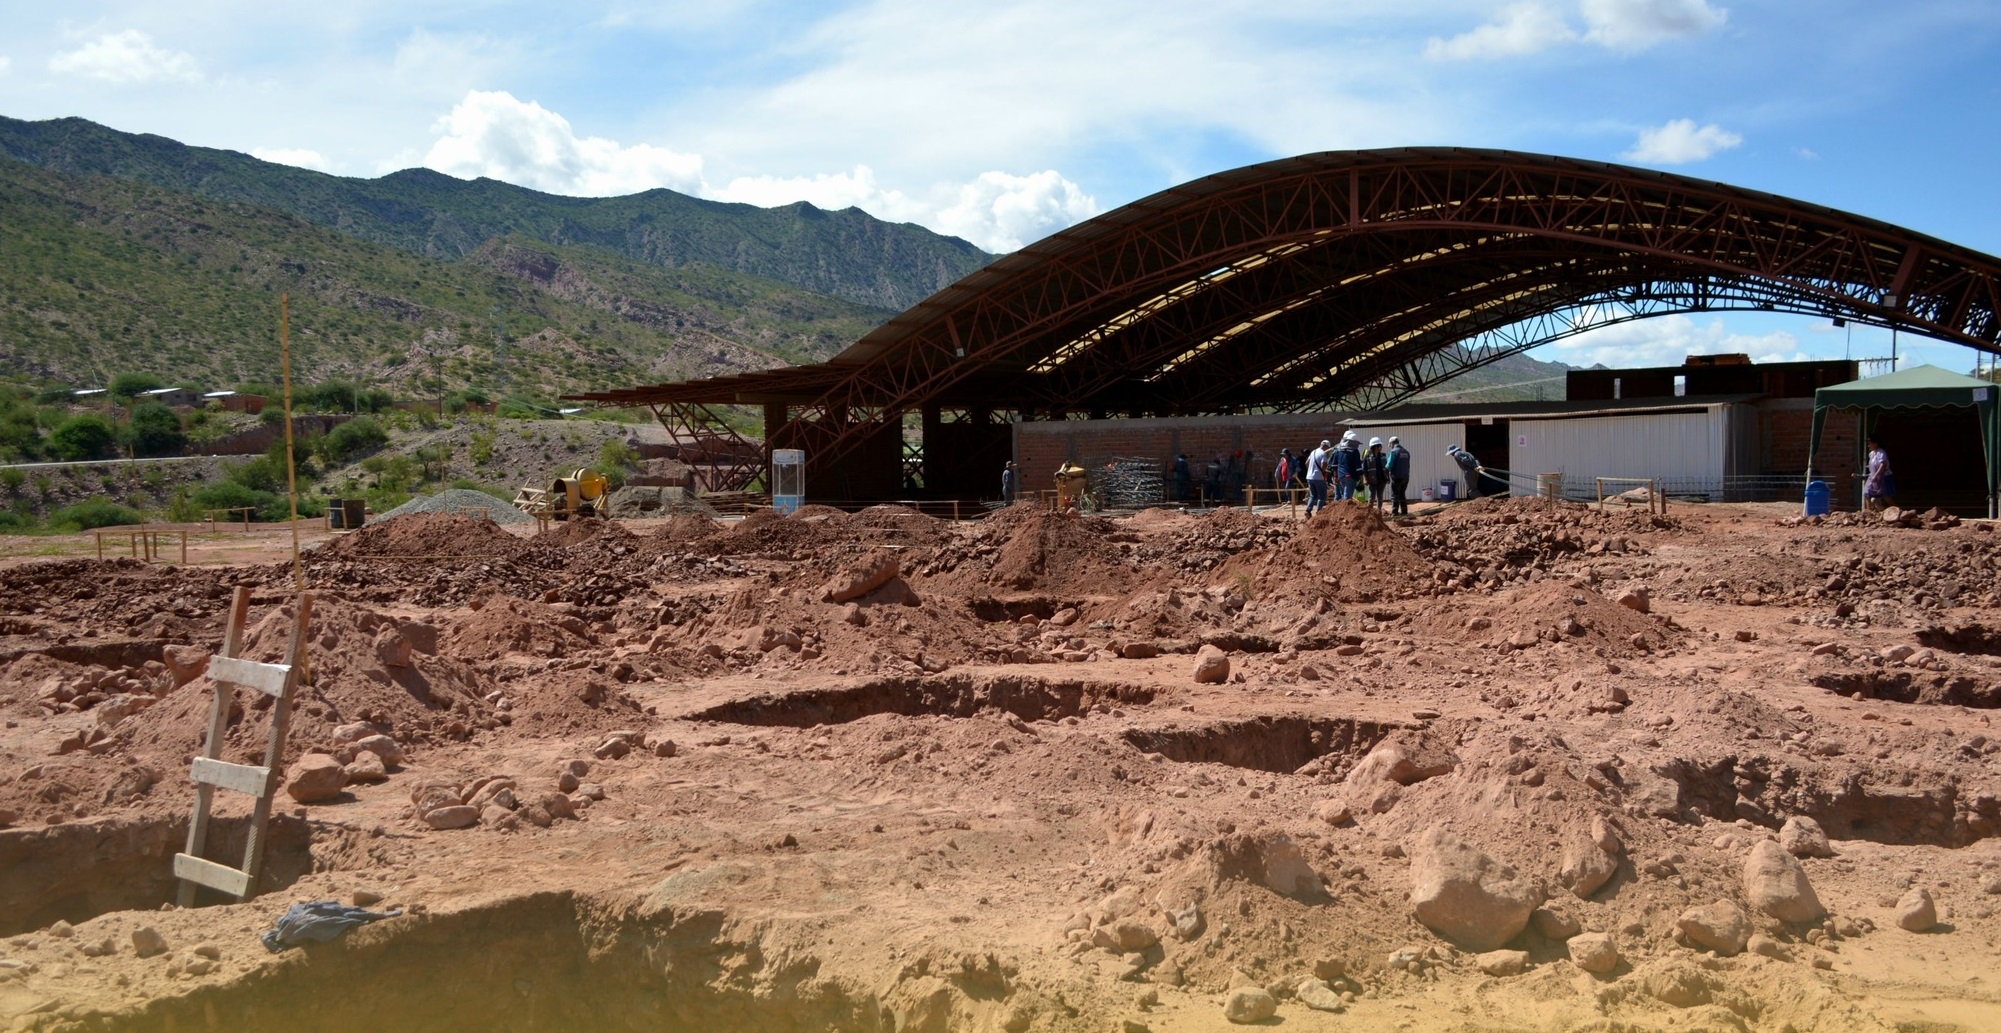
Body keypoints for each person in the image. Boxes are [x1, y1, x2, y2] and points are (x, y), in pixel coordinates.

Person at [1862, 436, 1896, 512]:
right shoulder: (1871, 454)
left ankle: (1896, 510)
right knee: (1867, 493)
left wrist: (1876, 475)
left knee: (1886, 495)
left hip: (1883, 476)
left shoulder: (1881, 453)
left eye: (1870, 444)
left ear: (1875, 444)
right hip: (1873, 476)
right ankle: (1869, 511)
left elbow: (1882, 465)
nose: (1868, 446)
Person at [1304, 438, 1331, 516]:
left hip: (1309, 477)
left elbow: (1306, 463)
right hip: (1318, 477)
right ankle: (1319, 512)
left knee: (1313, 495)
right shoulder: (1323, 454)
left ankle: (1308, 510)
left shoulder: (1313, 452)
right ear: (1326, 447)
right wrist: (1323, 471)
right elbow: (1324, 465)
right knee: (1322, 496)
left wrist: (1310, 470)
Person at [1386, 435, 1412, 516]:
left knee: (1395, 495)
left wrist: (1385, 471)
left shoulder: (1394, 452)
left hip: (1397, 477)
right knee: (1402, 494)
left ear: (1392, 444)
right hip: (1406, 477)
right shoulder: (1406, 452)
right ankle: (1404, 512)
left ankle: (1395, 513)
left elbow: (1389, 465)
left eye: (1390, 445)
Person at [1362, 436, 1389, 512]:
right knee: (1371, 497)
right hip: (1372, 480)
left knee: (1380, 497)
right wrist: (1365, 479)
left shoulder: (1383, 456)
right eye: (1380, 445)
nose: (1381, 447)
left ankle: (1378, 512)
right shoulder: (1367, 457)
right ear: (1376, 447)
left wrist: (1388, 477)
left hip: (1382, 479)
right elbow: (1364, 469)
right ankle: (1369, 513)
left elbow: (1386, 468)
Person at [1333, 431, 1362, 501]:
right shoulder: (1355, 451)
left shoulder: (1339, 450)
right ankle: (1344, 511)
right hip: (1350, 475)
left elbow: (1334, 465)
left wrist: (1335, 476)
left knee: (1344, 495)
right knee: (1347, 498)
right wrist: (1361, 477)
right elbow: (1358, 467)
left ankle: (1340, 509)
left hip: (1341, 475)